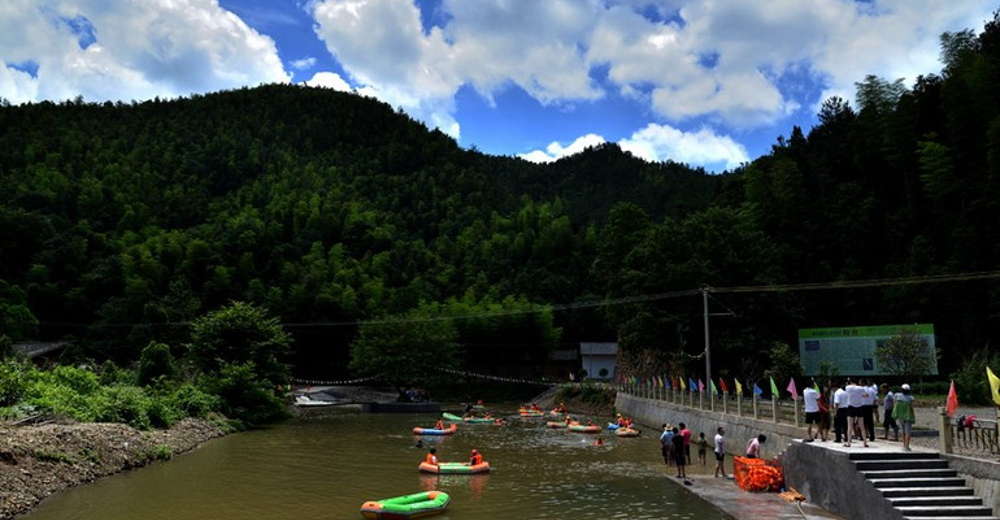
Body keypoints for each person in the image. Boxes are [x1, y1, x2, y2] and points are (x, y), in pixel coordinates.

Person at [844, 379, 869, 447]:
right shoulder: (861, 388)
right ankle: (865, 442)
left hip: (851, 407)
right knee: (862, 426)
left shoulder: (847, 388)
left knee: (849, 426)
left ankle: (849, 443)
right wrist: (860, 396)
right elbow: (866, 395)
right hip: (859, 407)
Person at [892, 384, 916, 451]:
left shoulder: (897, 395)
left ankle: (904, 444)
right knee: (908, 431)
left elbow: (894, 403)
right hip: (908, 416)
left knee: (902, 431)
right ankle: (907, 445)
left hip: (900, 416)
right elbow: (911, 408)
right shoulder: (910, 398)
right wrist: (913, 415)